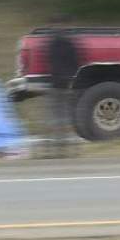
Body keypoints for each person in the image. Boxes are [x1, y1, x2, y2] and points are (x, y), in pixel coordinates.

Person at [45, 22, 84, 158]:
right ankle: (74, 148)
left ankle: (57, 149)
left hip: (56, 83)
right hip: (70, 84)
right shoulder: (71, 44)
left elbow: (49, 62)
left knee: (56, 117)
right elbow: (78, 63)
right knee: (70, 116)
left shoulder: (51, 44)